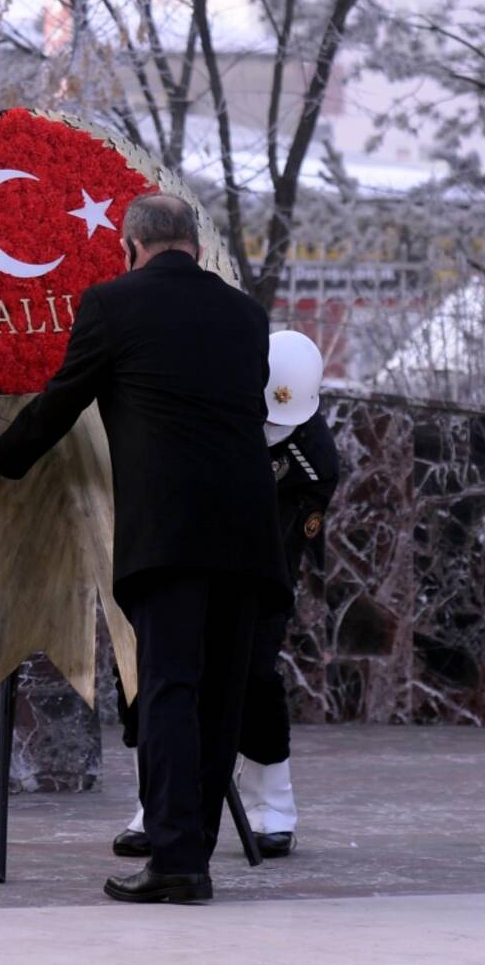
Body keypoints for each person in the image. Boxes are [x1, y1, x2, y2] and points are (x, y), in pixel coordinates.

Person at [0, 193, 289, 905]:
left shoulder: (112, 306)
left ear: (130, 247)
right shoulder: (248, 316)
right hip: (251, 531)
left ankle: (174, 863)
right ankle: (193, 857)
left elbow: (60, 402)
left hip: (169, 532)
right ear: (194, 246)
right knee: (220, 700)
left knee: (168, 691)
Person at [111, 330, 340, 861]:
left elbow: (284, 550)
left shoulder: (313, 463)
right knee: (159, 671)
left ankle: (272, 807)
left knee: (254, 674)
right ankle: (160, 804)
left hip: (257, 571)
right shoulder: (212, 399)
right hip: (186, 547)